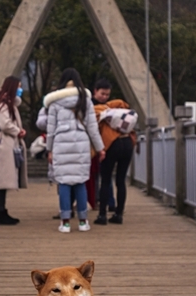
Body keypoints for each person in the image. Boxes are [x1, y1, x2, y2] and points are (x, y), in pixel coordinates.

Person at [44, 68, 105, 234]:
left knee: (64, 182)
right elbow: (93, 128)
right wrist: (100, 148)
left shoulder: (55, 103)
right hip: (81, 145)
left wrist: (49, 150)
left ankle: (65, 222)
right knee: (80, 181)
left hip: (61, 145)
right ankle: (83, 221)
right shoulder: (86, 101)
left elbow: (51, 130)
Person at [0, 76, 28, 225]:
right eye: (18, 86)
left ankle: (1, 210)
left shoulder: (7, 104)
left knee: (3, 179)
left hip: (6, 143)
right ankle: (0, 212)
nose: (21, 89)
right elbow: (5, 124)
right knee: (2, 180)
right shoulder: (3, 105)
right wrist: (18, 131)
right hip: (3, 144)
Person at [93, 96, 136, 225]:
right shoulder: (121, 110)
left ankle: (102, 216)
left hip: (112, 145)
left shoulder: (101, 112)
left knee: (106, 180)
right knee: (121, 180)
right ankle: (119, 214)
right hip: (127, 143)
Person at [86, 78, 116, 212]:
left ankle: (109, 202)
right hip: (92, 145)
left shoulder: (110, 106)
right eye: (102, 94)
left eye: (107, 95)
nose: (104, 97)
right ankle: (97, 200)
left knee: (105, 174)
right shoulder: (89, 106)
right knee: (94, 175)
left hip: (105, 144)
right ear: (95, 92)